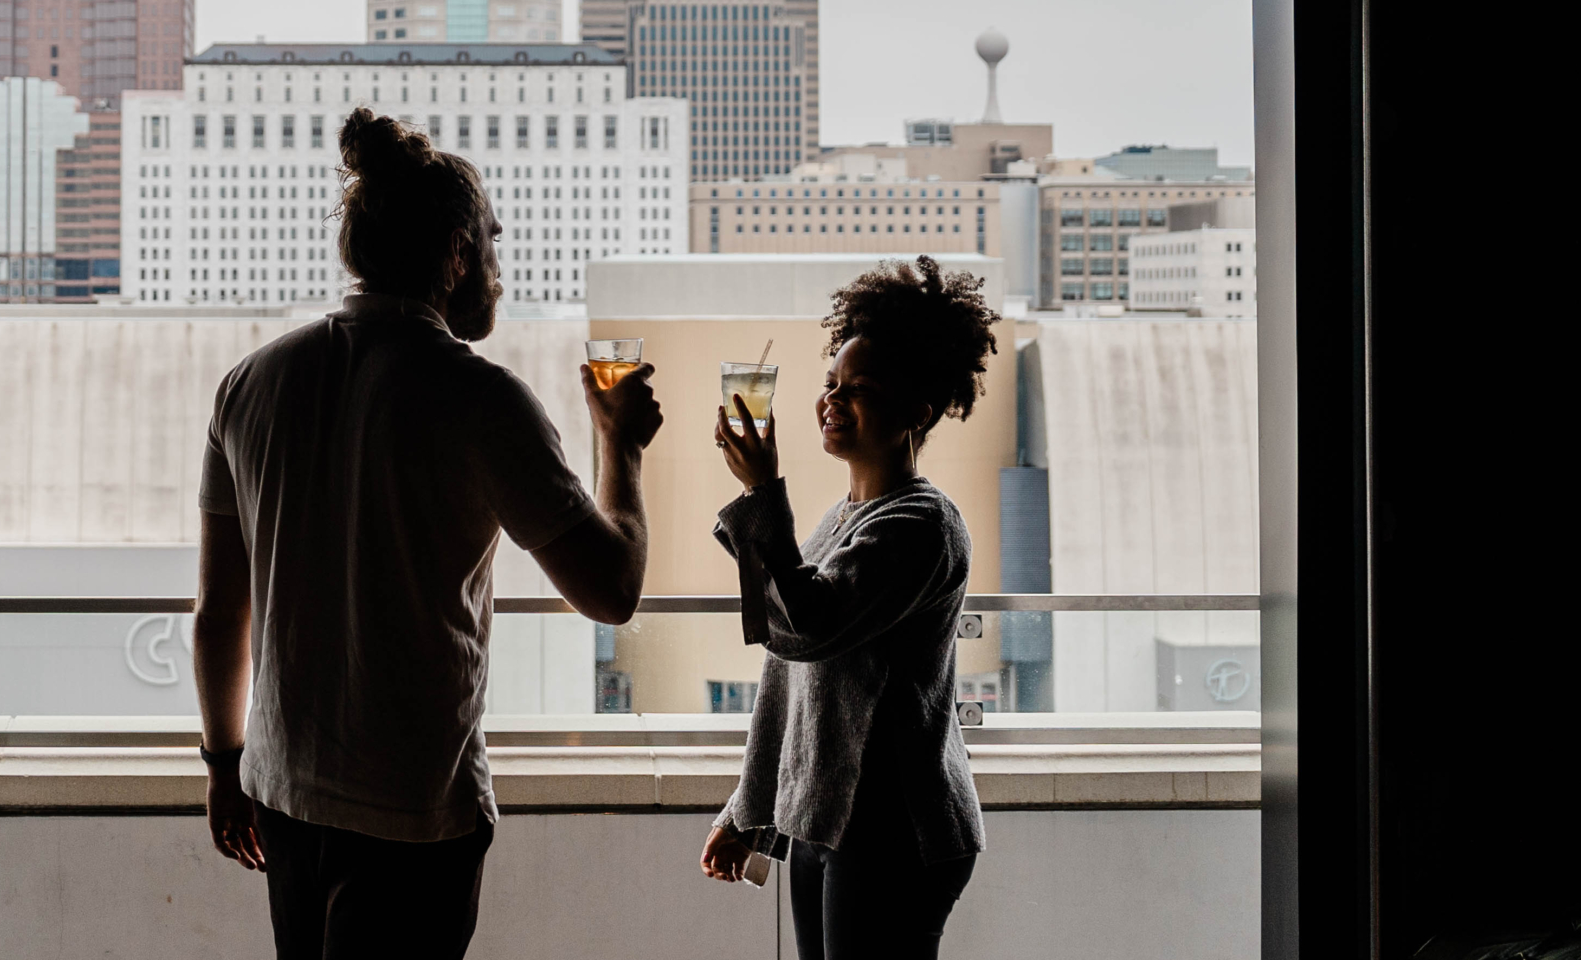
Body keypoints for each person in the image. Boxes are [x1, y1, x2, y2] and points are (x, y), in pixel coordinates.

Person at [188, 107, 666, 960]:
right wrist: (621, 445)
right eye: (492, 243)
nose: (499, 269)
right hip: (411, 812)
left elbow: (221, 613)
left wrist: (224, 768)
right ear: (453, 254)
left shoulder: (250, 384)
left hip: (282, 795)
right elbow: (613, 591)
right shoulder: (483, 400)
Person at [697, 255, 1001, 960]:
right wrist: (748, 812)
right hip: (828, 820)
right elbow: (789, 676)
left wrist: (763, 492)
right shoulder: (844, 517)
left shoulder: (922, 525)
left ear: (917, 411)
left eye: (860, 388)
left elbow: (811, 628)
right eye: (831, 383)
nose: (833, 399)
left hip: (897, 830)